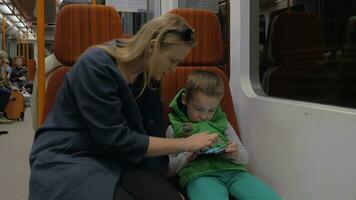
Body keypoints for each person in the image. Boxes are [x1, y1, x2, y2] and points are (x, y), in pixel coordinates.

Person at [29, 13, 218, 200]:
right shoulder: (95, 66)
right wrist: (185, 144)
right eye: (172, 61)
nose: (174, 69)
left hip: (120, 159)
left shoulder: (149, 78)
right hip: (71, 155)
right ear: (152, 47)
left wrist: (163, 179)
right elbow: (117, 139)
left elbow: (150, 133)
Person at [166, 70, 282, 200]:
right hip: (200, 175)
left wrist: (235, 154)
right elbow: (168, 169)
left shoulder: (223, 124)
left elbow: (245, 157)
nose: (204, 116)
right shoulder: (174, 129)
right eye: (198, 109)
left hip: (235, 172)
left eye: (211, 110)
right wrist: (187, 155)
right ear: (184, 99)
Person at [0, 50, 13, 124]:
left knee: (7, 90)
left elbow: (4, 80)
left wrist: (10, 87)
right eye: (3, 61)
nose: (4, 63)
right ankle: (0, 115)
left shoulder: (2, 68)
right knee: (6, 92)